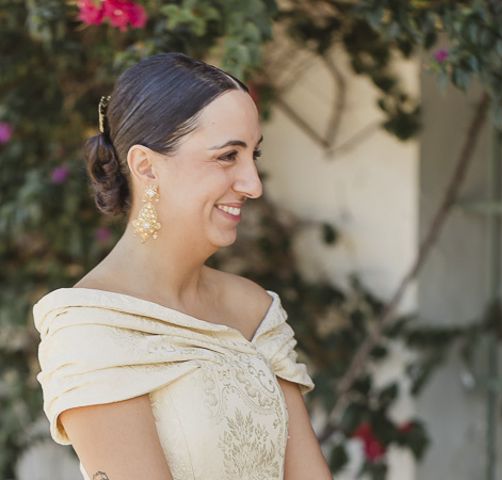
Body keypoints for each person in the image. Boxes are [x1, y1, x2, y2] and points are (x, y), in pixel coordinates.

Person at [32, 52, 332, 480]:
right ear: (146, 166)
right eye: (228, 156)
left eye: (253, 156)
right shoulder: (93, 329)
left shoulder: (254, 308)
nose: (253, 184)